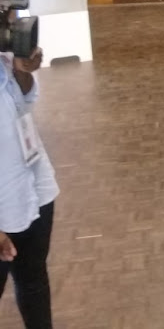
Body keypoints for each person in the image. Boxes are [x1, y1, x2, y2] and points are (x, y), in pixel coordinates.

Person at [0, 45, 57, 329]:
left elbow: (23, 104)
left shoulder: (4, 60)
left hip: (33, 189)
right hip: (3, 209)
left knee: (33, 279)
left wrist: (21, 73)